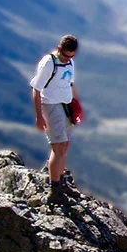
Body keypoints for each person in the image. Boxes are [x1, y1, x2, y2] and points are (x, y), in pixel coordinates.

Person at [30, 34, 80, 202]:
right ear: (59, 49)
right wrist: (39, 117)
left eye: (71, 57)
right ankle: (54, 188)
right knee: (58, 148)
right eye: (66, 56)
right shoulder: (49, 63)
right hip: (51, 106)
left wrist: (76, 106)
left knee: (64, 146)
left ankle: (60, 181)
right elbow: (36, 89)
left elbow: (70, 84)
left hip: (65, 107)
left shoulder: (69, 63)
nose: (68, 60)